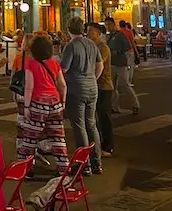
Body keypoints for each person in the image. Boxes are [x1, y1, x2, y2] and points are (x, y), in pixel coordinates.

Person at [17, 32, 70, 175]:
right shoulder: (54, 63)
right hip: (55, 103)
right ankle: (63, 167)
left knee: (30, 137)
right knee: (57, 136)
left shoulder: (31, 64)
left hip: (37, 103)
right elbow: (63, 85)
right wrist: (63, 101)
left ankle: (26, 168)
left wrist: (27, 106)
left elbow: (29, 87)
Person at [59, 16, 103, 174]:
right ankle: (96, 162)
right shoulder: (91, 44)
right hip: (92, 87)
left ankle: (84, 165)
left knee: (79, 126)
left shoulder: (71, 46)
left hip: (77, 88)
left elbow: (63, 69)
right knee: (91, 125)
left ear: (69, 29)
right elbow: (100, 65)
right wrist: (92, 78)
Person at [87, 23, 114, 156]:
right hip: (94, 85)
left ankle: (108, 146)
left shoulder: (103, 48)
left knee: (104, 116)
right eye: (87, 31)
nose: (88, 34)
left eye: (91, 31)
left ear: (98, 33)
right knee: (94, 117)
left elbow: (99, 64)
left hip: (104, 86)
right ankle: (96, 145)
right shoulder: (91, 47)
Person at [105, 17, 140, 115]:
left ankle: (135, 104)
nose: (107, 27)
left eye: (109, 24)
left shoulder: (120, 35)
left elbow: (127, 46)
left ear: (113, 24)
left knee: (124, 85)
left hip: (121, 64)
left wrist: (117, 52)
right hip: (112, 64)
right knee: (112, 87)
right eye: (106, 25)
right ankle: (114, 106)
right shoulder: (109, 37)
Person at [119, 20, 139, 86]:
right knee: (130, 66)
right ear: (125, 25)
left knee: (124, 67)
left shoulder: (118, 33)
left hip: (122, 52)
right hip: (130, 51)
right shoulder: (129, 32)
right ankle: (129, 81)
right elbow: (132, 42)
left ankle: (124, 80)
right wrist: (136, 51)